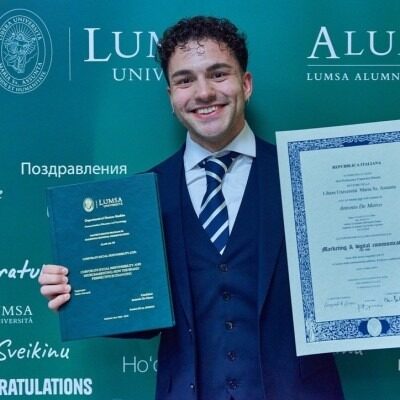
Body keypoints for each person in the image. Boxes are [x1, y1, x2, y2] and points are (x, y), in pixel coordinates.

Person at [39, 16, 344, 400]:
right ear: (171, 97)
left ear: (246, 84)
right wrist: (79, 291)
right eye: (185, 80)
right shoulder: (139, 199)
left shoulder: (309, 176)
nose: (203, 92)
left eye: (218, 74)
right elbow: (143, 316)